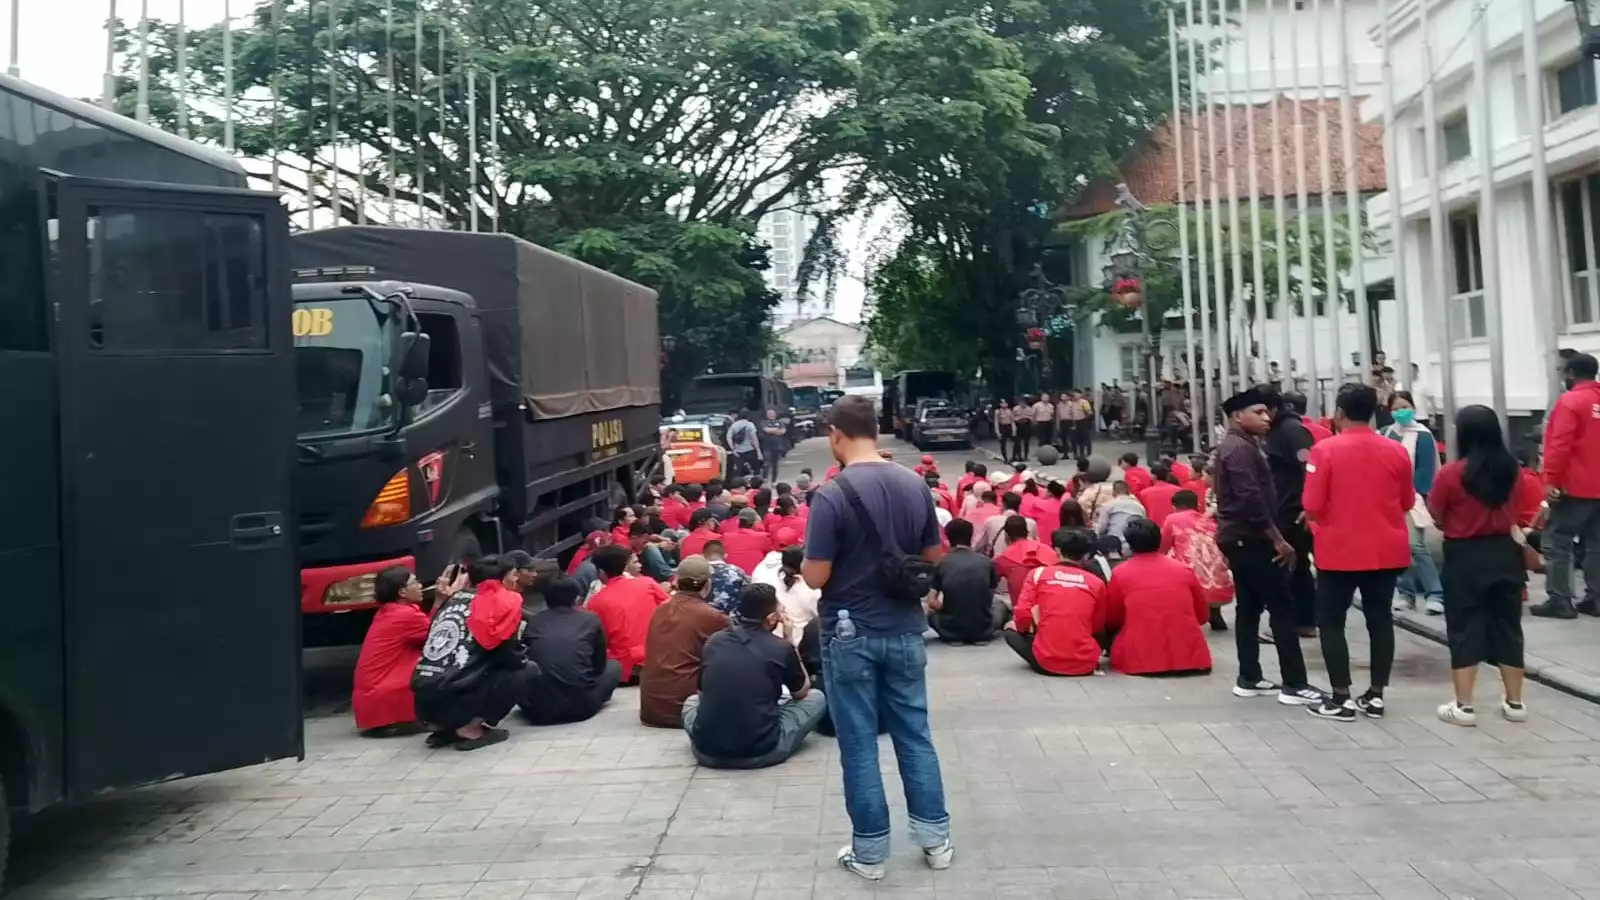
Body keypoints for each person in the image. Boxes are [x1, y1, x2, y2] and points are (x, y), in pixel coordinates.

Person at [799, 395, 952, 880]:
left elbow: (817, 576)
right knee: (915, 734)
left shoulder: (832, 495)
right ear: (878, 430)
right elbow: (934, 555)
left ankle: (870, 855)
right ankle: (936, 841)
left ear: (835, 434)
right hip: (905, 627)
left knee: (860, 743)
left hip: (849, 630)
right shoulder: (914, 484)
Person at [1300, 384, 1413, 721]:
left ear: (1339, 413)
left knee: (1331, 620)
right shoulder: (1395, 451)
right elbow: (1407, 501)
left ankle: (1340, 697)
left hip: (1339, 549)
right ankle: (1376, 694)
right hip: (1386, 548)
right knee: (1380, 619)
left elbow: (1312, 503)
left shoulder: (1324, 451)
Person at [1427, 405, 1540, 726]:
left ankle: (1464, 706)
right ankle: (1515, 703)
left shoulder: (1451, 473)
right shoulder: (1513, 471)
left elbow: (1436, 514)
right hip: (1506, 554)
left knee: (1464, 628)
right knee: (1508, 628)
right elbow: (1516, 511)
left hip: (1465, 557)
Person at [1213, 386, 1323, 706]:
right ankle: (1294, 683)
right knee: (1282, 606)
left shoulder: (1241, 445)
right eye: (1257, 412)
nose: (1266, 417)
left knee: (1249, 607)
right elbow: (1250, 498)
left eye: (1266, 411)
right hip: (1250, 538)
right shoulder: (1239, 449)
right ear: (1237, 416)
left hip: (1242, 536)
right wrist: (1277, 538)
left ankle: (1249, 676)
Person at [682, 584, 827, 768]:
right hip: (762, 750)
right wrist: (789, 640)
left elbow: (702, 695)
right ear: (771, 619)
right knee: (817, 698)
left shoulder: (714, 641)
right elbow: (801, 692)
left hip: (706, 751)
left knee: (691, 701)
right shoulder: (780, 647)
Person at [411, 555, 535, 750]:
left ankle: (446, 728)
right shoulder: (497, 606)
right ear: (500, 580)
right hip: (455, 696)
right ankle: (471, 728)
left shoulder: (453, 599)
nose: (516, 579)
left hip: (424, 699)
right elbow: (508, 657)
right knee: (526, 670)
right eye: (512, 575)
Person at [1533, 352, 1600, 619]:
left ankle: (1560, 599)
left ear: (1571, 374)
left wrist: (1550, 481)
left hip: (1575, 487)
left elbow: (1559, 445)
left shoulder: (1570, 402)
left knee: (1557, 541)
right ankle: (1596, 598)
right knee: (1596, 543)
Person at [1106, 518, 1212, 676]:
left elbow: (1112, 617)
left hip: (1142, 658)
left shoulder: (1120, 572)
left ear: (1129, 544)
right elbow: (1202, 615)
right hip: (1192, 657)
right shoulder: (1183, 569)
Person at [637, 556, 730, 728]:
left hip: (651, 711)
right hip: (686, 710)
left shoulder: (659, 610)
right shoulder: (711, 616)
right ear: (707, 585)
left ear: (677, 582)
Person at [1004, 528, 1108, 676]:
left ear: (1057, 551)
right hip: (1086, 663)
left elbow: (1022, 614)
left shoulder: (1038, 574)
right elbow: (1098, 624)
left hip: (1046, 662)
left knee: (1010, 630)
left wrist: (1026, 629)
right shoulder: (1096, 583)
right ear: (1084, 555)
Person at [519, 576, 622, 725]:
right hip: (581, 707)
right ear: (577, 598)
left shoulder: (535, 622)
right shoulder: (590, 619)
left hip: (538, 710)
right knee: (614, 667)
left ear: (545, 599)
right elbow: (599, 665)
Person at [352, 565, 437, 736]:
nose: (420, 585)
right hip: (386, 700)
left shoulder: (388, 612)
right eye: (415, 582)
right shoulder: (405, 616)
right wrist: (442, 601)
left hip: (372, 703)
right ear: (402, 592)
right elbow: (441, 632)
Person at [1383, 391, 1444, 614]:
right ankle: (1405, 593)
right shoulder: (1385, 433)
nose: (1401, 411)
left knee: (1416, 546)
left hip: (1413, 498)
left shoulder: (1423, 435)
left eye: (1405, 406)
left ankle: (1436, 594)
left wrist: (1413, 494)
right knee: (1398, 548)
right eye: (1396, 408)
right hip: (1386, 499)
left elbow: (1424, 472)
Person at [1264, 390, 1318, 638]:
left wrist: (1308, 505)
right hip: (1284, 507)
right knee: (1295, 568)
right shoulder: (1277, 431)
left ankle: (1291, 624)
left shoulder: (1292, 431)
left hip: (1292, 511)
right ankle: (1302, 621)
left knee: (1287, 567)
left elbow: (1309, 467)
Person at [586, 543, 670, 685]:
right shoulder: (648, 583)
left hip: (623, 670)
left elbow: (597, 641)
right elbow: (672, 610)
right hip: (657, 661)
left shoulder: (595, 602)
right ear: (625, 566)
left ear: (600, 572)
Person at [1160, 489, 1233, 630]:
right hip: (1221, 584)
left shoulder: (1173, 519)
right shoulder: (1211, 523)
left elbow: (1163, 547)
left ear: (1175, 506)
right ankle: (1214, 613)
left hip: (1193, 582)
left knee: (1174, 561)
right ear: (1197, 505)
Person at [927, 519, 1005, 643]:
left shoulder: (942, 562)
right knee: (1000, 605)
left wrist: (947, 609)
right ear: (971, 536)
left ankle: (955, 634)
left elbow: (931, 602)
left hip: (951, 630)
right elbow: (989, 596)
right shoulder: (986, 561)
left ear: (948, 539)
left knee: (930, 614)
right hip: (983, 629)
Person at [754, 544, 821, 643]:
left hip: (778, 638)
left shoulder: (772, 578)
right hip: (802, 641)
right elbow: (822, 618)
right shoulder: (811, 590)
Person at [1094, 481, 1147, 557]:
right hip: (1134, 547)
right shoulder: (1140, 507)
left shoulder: (1109, 506)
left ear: (1114, 492)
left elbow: (1101, 529)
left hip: (1113, 547)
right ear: (1128, 492)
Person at [701, 538, 749, 614]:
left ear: (702, 556)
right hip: (731, 619)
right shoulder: (737, 571)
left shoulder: (696, 571)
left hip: (702, 617)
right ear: (725, 556)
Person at [976, 491, 1033, 555]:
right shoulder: (1031, 523)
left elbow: (980, 545)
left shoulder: (991, 521)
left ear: (1003, 504)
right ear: (1019, 506)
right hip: (1022, 560)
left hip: (997, 561)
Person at [720, 508, 773, 575]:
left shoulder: (726, 537)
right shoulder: (763, 537)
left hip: (732, 576)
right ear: (755, 523)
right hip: (753, 577)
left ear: (737, 521)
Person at [726, 409, 763, 478]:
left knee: (739, 470)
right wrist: (758, 451)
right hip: (750, 450)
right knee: (756, 469)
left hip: (738, 451)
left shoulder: (734, 425)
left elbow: (728, 437)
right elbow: (754, 439)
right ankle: (756, 482)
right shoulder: (750, 424)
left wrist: (733, 449)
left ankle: (741, 483)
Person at [759, 407, 788, 481]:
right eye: (769, 414)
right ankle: (765, 479)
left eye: (772, 414)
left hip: (777, 446)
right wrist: (776, 430)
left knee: (775, 465)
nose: (771, 415)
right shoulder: (764, 422)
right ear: (767, 415)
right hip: (767, 447)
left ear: (775, 415)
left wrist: (772, 431)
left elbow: (783, 431)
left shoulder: (780, 422)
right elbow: (766, 430)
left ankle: (773, 481)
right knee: (766, 463)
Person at [1013, 395, 1035, 462]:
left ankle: (1026, 456)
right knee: (1017, 442)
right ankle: (1019, 456)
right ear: (1019, 402)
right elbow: (1012, 418)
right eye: (1021, 402)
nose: (1023, 404)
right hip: (1018, 425)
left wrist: (1028, 419)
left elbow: (1032, 418)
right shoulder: (1015, 409)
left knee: (1026, 442)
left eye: (1024, 402)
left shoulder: (1029, 409)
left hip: (1026, 425)